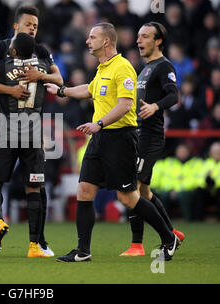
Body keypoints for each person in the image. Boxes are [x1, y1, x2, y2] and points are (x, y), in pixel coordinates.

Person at [45, 22, 180, 262]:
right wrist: (62, 91)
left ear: (106, 41)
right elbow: (90, 89)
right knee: (85, 191)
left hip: (120, 138)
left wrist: (100, 124)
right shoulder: (102, 68)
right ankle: (83, 251)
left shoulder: (123, 68)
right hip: (99, 138)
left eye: (92, 37)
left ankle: (169, 238)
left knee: (128, 197)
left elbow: (125, 105)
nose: (88, 41)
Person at [0, 7, 63, 258]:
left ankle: (18, 237)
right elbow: (60, 80)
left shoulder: (40, 51)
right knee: (33, 188)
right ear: (16, 26)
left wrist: (39, 75)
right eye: (28, 24)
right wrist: (13, 89)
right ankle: (33, 245)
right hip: (25, 127)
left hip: (12, 127)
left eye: (36, 24)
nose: (33, 28)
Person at [119, 22, 185, 256]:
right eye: (138, 36)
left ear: (158, 41)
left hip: (150, 137)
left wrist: (156, 106)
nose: (139, 40)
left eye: (145, 36)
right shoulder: (145, 68)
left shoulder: (164, 66)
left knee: (132, 188)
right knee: (144, 192)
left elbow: (173, 95)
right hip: (140, 135)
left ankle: (137, 245)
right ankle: (172, 233)